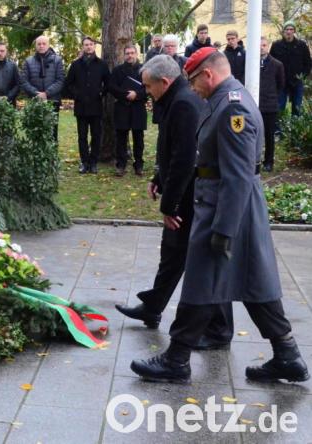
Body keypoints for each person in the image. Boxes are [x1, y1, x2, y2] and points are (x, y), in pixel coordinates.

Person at [131, 47, 309, 384]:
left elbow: (239, 174)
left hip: (227, 209)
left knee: (201, 283)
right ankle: (287, 355)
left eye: (194, 81)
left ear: (207, 75)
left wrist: (224, 229)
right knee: (254, 284)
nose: (193, 88)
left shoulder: (232, 108)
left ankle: (176, 359)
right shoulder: (228, 99)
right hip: (228, 206)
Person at [116, 54, 233, 349]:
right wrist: (158, 175)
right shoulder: (174, 99)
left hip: (189, 195)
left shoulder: (183, 103)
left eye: (148, 86)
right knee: (174, 255)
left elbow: (184, 158)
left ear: (164, 82)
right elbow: (170, 148)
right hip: (184, 191)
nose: (146, 92)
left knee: (202, 261)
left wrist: (170, 204)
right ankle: (153, 306)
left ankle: (219, 328)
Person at [65, 36, 110, 174]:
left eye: (91, 44)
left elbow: (108, 83)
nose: (88, 47)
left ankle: (93, 162)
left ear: (94, 46)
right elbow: (68, 84)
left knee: (96, 135)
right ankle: (84, 162)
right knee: (82, 136)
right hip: (81, 107)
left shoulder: (102, 64)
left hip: (96, 106)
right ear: (82, 47)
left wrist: (101, 93)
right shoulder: (76, 64)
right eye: (86, 44)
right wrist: (76, 95)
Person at [108, 44, 147, 176]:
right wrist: (126, 94)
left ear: (136, 54)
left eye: (132, 53)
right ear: (124, 55)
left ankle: (139, 165)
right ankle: (121, 165)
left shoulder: (144, 70)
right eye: (127, 53)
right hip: (122, 107)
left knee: (138, 139)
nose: (130, 56)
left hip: (138, 108)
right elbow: (112, 87)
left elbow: (148, 88)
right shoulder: (117, 70)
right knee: (121, 139)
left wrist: (137, 95)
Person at [20, 35, 66, 142]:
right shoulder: (28, 61)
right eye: (39, 44)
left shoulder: (57, 60)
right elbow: (24, 81)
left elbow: (60, 80)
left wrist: (46, 93)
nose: (41, 46)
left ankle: (52, 157)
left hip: (52, 100)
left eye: (44, 44)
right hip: (34, 101)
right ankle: (36, 158)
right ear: (35, 46)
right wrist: (36, 94)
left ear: (49, 45)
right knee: (36, 132)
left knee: (52, 132)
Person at [270, 21, 312, 116]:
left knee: (297, 108)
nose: (289, 32)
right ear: (283, 31)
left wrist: (302, 76)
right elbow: (271, 63)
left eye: (291, 29)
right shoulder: (276, 45)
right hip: (281, 81)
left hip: (297, 82)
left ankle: (295, 130)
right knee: (280, 107)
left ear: (294, 31)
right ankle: (279, 130)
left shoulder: (302, 45)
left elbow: (308, 63)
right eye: (287, 29)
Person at [259, 37, 285, 172]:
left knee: (269, 135)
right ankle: (254, 160)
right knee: (254, 134)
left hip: (270, 105)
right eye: (259, 45)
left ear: (267, 46)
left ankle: (269, 161)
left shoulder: (277, 64)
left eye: (264, 45)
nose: (261, 47)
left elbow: (281, 84)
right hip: (255, 105)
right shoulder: (250, 63)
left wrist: (272, 96)